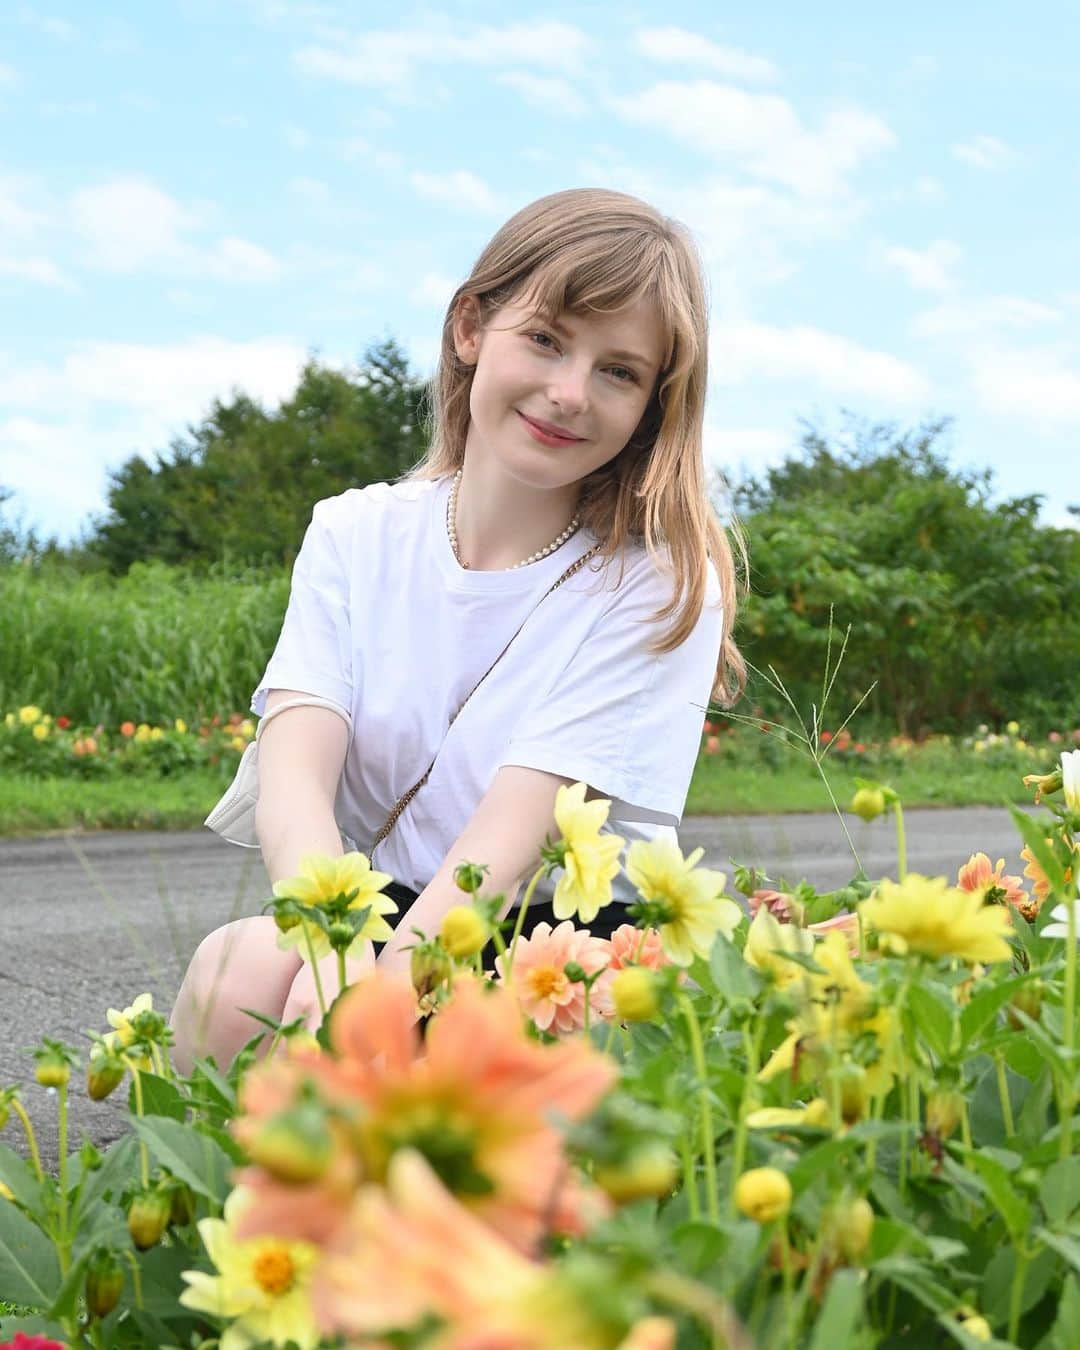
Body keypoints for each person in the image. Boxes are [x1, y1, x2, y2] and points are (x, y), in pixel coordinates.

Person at [169, 187, 746, 1073]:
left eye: (618, 371)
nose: (569, 393)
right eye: (547, 339)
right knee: (237, 970)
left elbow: (510, 847)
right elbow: (296, 780)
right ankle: (252, 1202)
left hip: (571, 947)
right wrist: (333, 951)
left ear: (652, 406)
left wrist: (375, 996)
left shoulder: (658, 580)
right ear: (471, 329)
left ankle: (350, 1194)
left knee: (355, 1025)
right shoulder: (355, 534)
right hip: (396, 903)